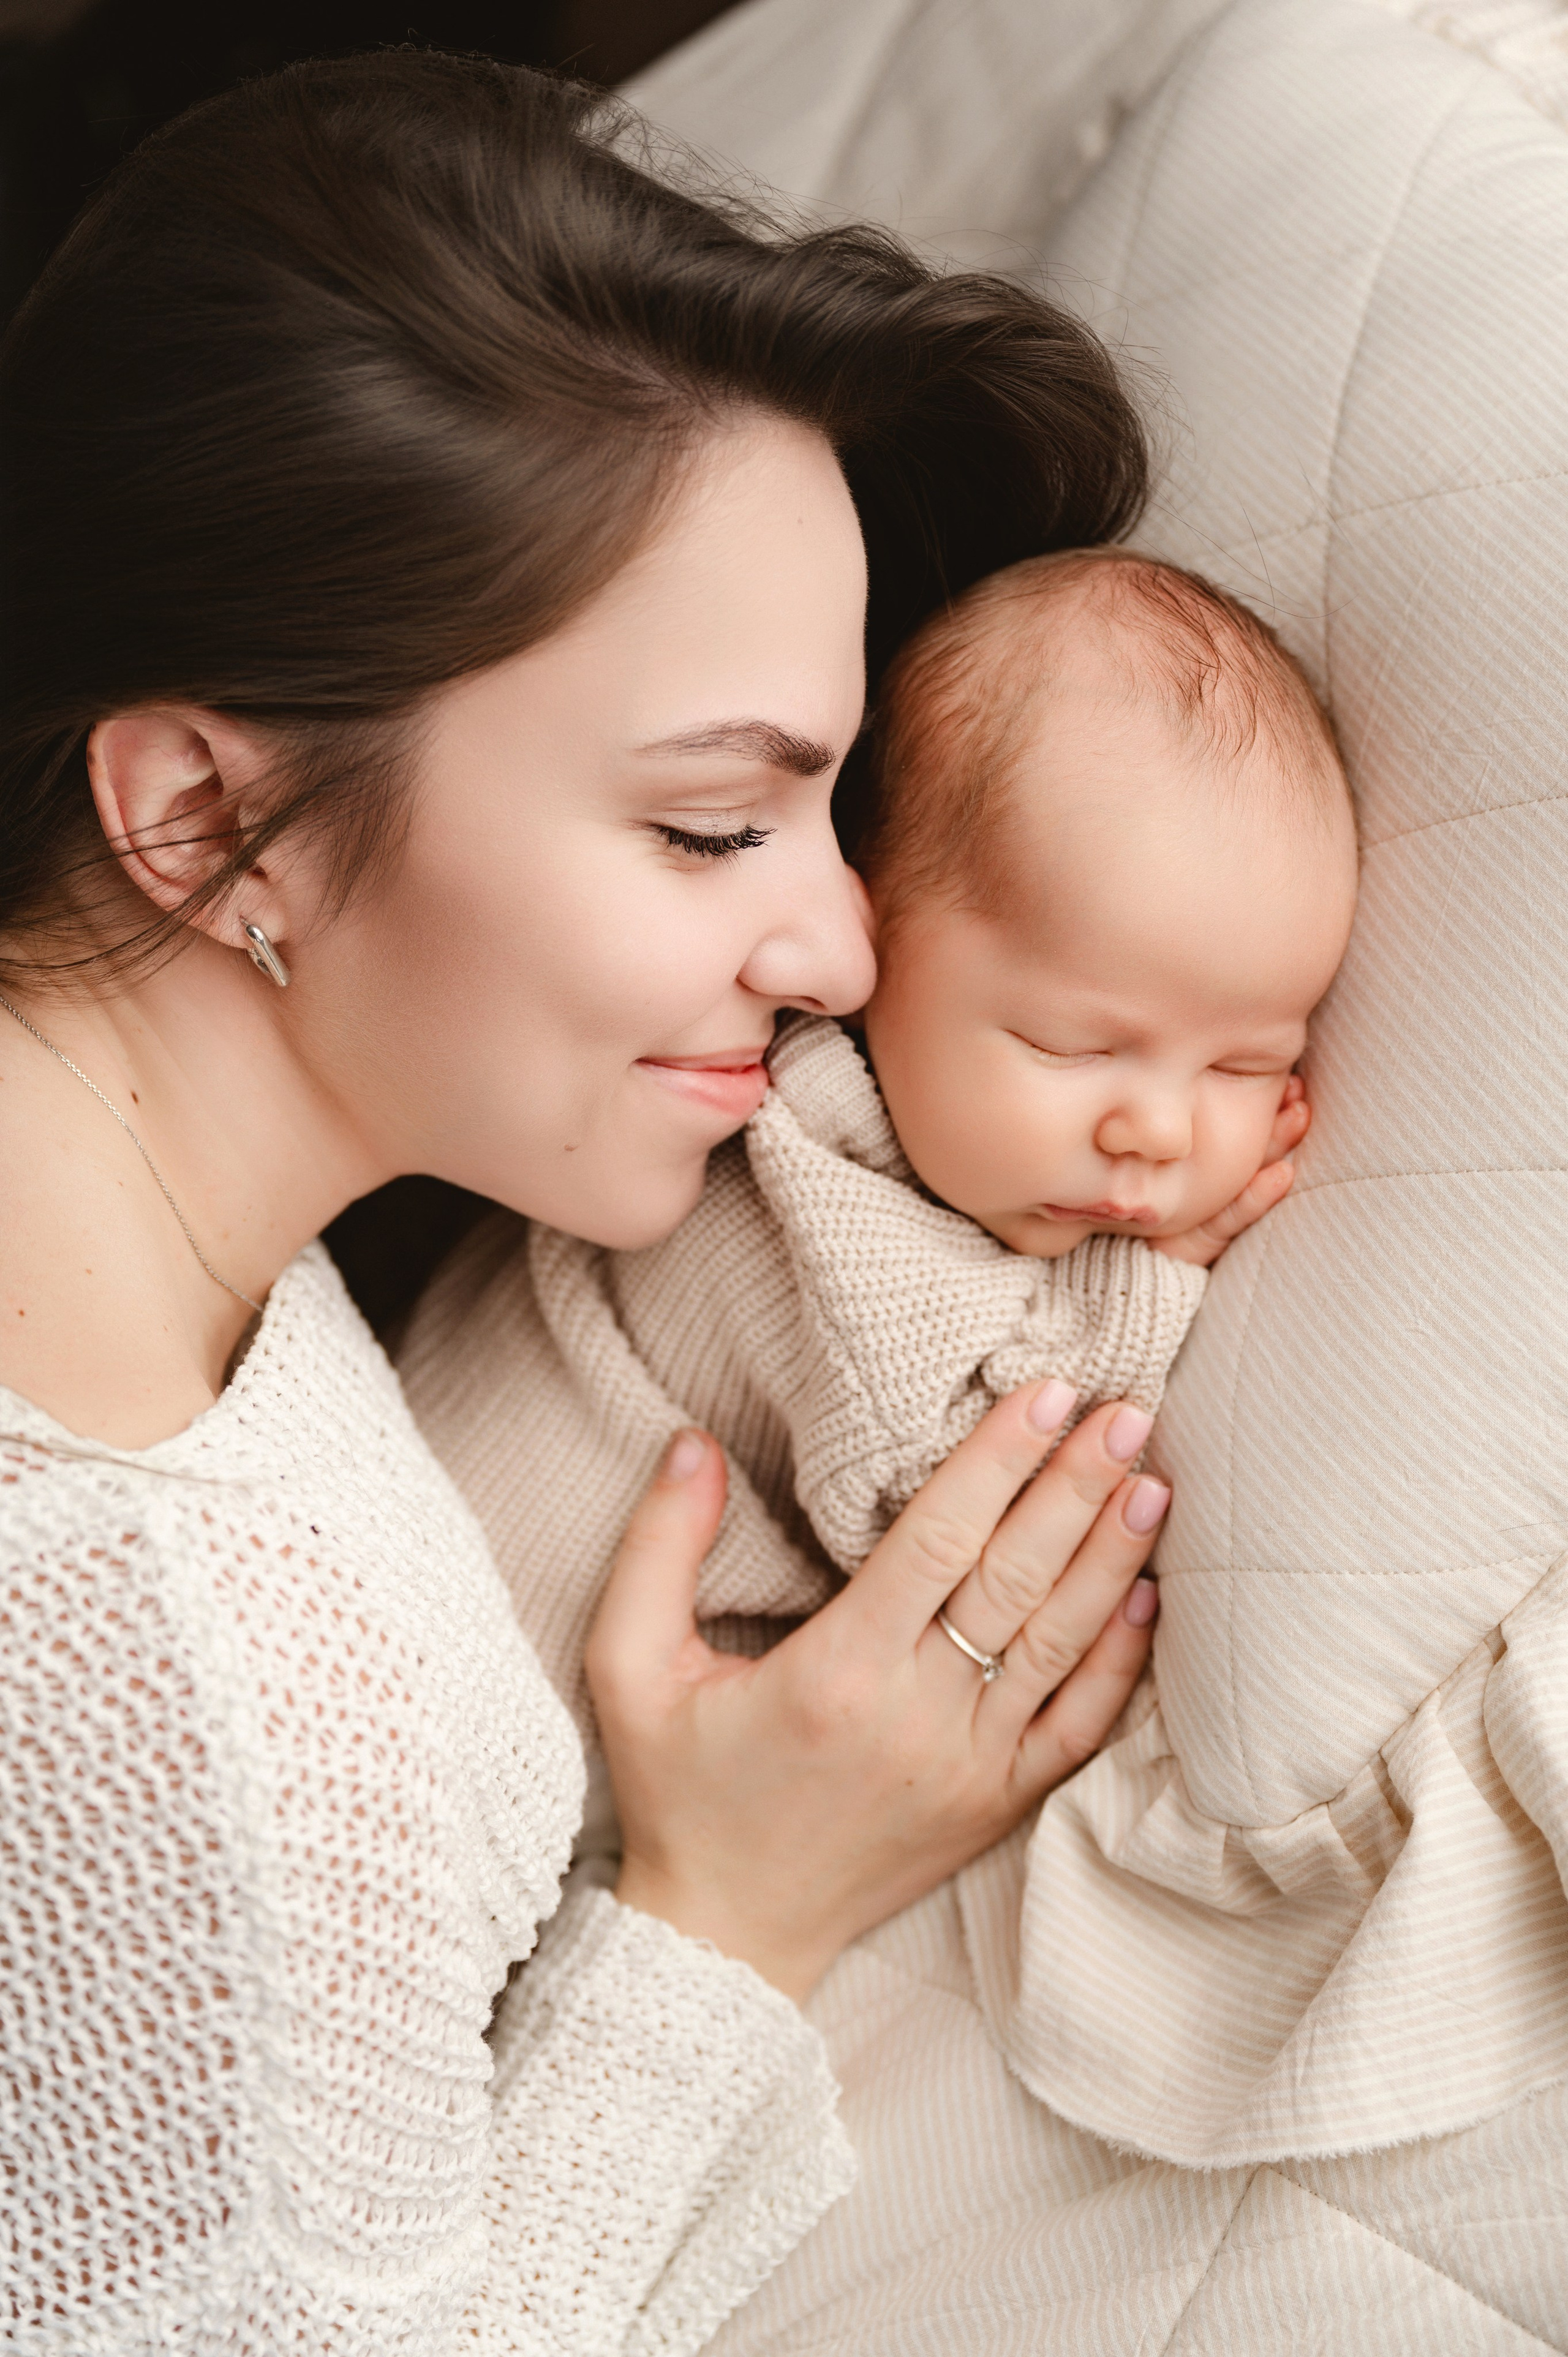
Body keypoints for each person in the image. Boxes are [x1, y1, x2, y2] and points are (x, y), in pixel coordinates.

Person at [0, 50, 1172, 2355]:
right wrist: (728, 1914)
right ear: (205, 820)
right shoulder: (198, 1682)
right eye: (717, 827)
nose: (841, 955)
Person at [398, 548, 1357, 1826]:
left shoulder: (932, 1159)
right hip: (466, 1722)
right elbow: (946, 1492)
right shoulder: (808, 1167)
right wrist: (1154, 1279)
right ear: (871, 943)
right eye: (1072, 1047)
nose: (1158, 1130)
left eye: (1249, 1063)